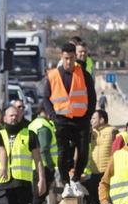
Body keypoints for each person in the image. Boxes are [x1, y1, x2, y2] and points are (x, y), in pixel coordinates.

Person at [39, 42, 96, 196]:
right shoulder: (53, 75)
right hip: (62, 120)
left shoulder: (84, 74)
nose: (69, 62)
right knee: (63, 153)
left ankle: (76, 179)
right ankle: (66, 182)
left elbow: (92, 97)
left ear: (75, 57)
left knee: (83, 151)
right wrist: (52, 116)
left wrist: (88, 116)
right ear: (61, 57)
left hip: (81, 120)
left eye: (71, 58)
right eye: (66, 58)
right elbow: (45, 97)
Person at [82, 109, 117, 204]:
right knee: (96, 203)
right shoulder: (92, 132)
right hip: (94, 173)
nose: (91, 121)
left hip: (107, 174)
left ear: (102, 119)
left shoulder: (112, 131)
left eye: (94, 118)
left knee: (106, 203)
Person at [27, 108, 56, 204]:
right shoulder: (43, 126)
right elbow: (44, 149)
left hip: (34, 166)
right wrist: (50, 166)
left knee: (36, 197)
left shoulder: (33, 124)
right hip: (43, 167)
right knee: (39, 197)